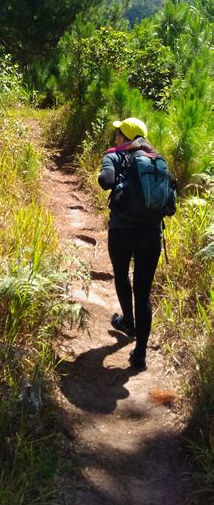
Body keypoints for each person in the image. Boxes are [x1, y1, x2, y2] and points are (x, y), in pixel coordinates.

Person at [98, 117, 163, 370]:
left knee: (122, 275)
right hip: (151, 234)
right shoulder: (155, 159)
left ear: (125, 138)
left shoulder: (114, 156)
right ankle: (140, 355)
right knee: (143, 291)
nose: (115, 138)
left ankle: (128, 322)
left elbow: (106, 181)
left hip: (122, 231)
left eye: (118, 134)